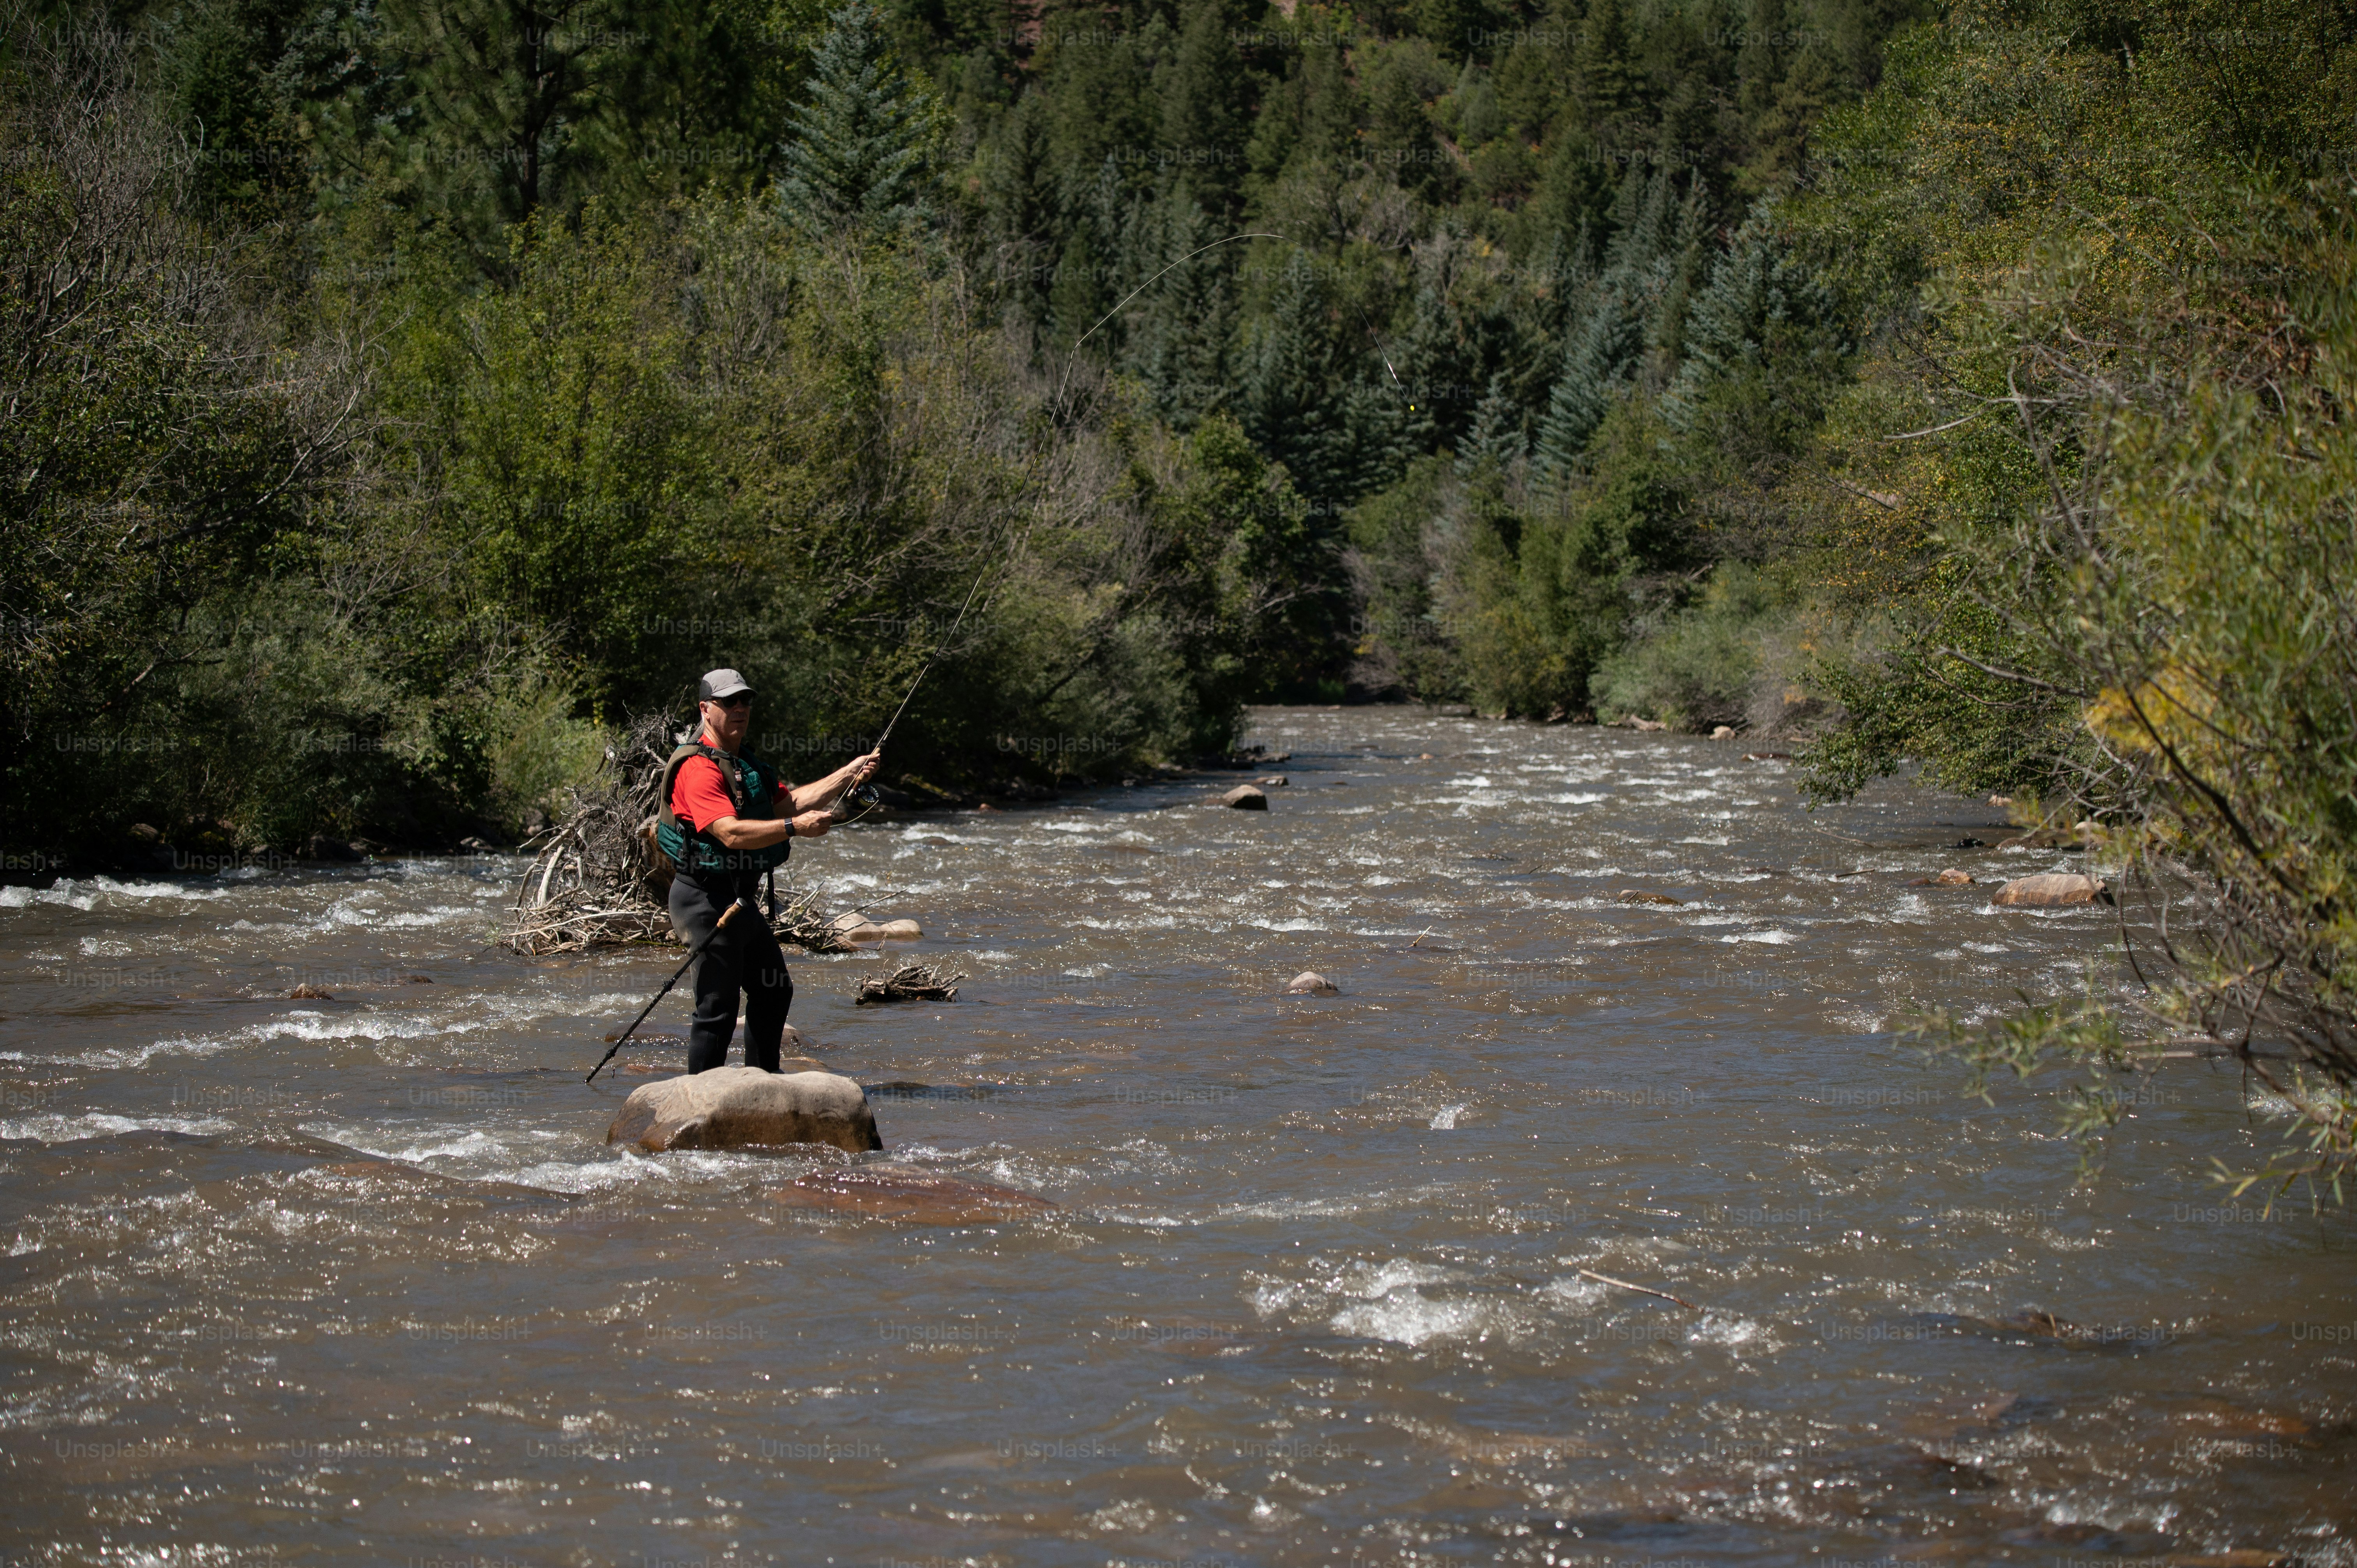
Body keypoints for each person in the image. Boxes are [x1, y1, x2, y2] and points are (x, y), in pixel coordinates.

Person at [654, 669, 879, 1074]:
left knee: (773, 989)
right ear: (706, 709)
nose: (740, 709)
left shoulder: (744, 763)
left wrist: (848, 773)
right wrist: (796, 828)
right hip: (703, 899)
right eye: (729, 702)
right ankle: (702, 1101)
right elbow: (729, 832)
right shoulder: (697, 769)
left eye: (745, 701)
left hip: (738, 899)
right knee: (717, 1008)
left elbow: (789, 803)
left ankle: (763, 1082)